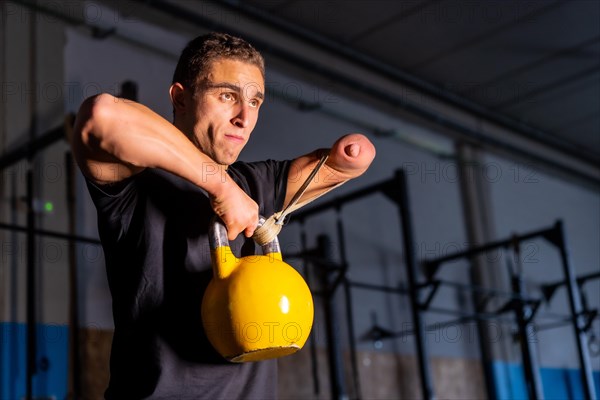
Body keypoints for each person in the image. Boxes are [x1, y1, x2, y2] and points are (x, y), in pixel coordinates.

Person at [71, 32, 375, 399]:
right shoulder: (132, 183)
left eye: (255, 101)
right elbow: (101, 116)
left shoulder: (256, 181)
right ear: (181, 98)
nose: (244, 118)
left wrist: (353, 157)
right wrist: (223, 188)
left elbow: (342, 166)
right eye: (227, 96)